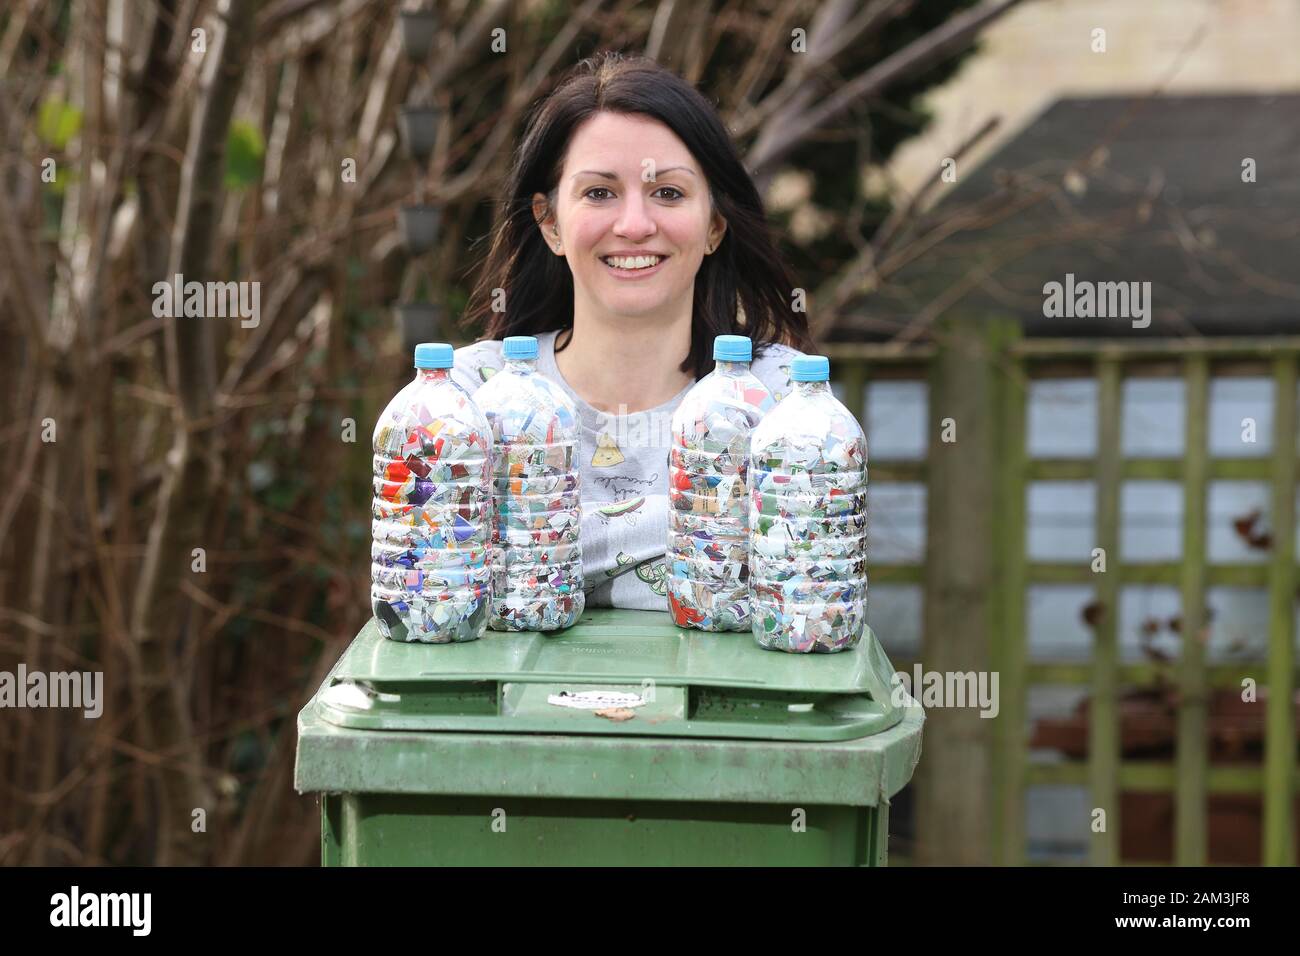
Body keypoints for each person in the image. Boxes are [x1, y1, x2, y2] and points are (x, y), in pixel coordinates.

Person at [451, 51, 815, 611]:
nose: (635, 225)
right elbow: (440, 580)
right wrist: (708, 524)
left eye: (668, 192)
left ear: (714, 225)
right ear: (550, 223)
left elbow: (806, 590)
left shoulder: (781, 397)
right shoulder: (472, 392)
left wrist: (534, 550)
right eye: (599, 192)